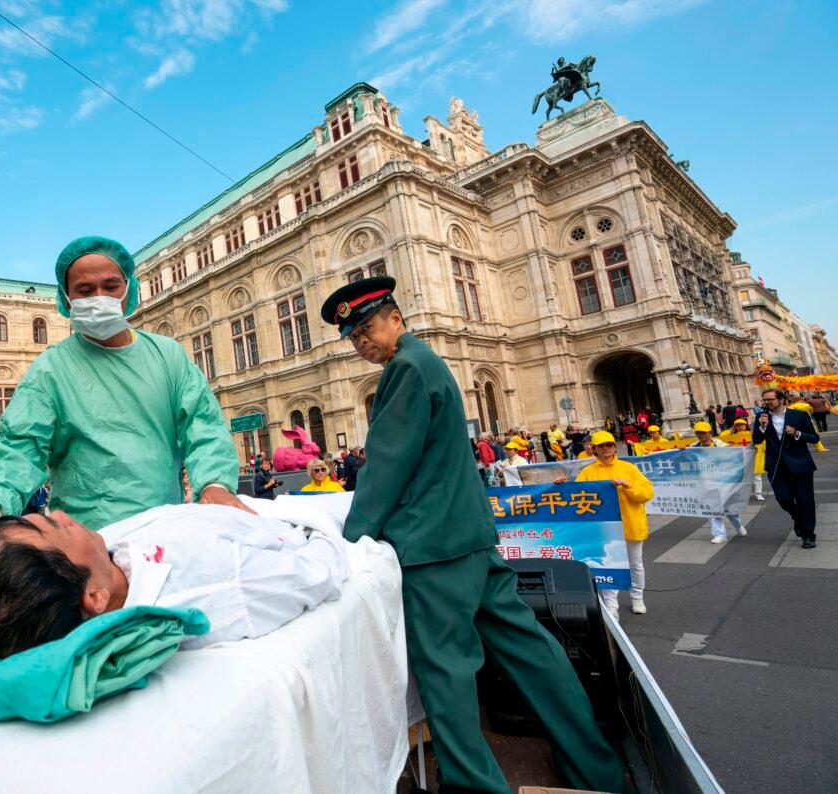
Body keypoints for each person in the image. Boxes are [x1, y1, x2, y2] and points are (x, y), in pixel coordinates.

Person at [319, 277, 624, 794]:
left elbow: (387, 467)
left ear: (396, 318)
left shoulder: (405, 370)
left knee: (445, 672)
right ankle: (594, 766)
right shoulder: (429, 363)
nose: (362, 342)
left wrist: (348, 543)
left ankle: (473, 786)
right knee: (530, 649)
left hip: (432, 551)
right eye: (353, 337)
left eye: (367, 327)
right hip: (473, 539)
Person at [0, 236, 244, 532]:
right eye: (84, 291)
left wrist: (215, 484)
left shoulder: (168, 355)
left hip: (165, 535)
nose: (99, 297)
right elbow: (18, 446)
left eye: (110, 287)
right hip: (88, 547)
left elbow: (204, 427)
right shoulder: (51, 371)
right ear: (66, 299)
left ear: (129, 288)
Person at [0, 505, 348, 658]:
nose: (60, 513)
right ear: (94, 597)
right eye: (55, 527)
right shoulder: (219, 590)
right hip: (301, 520)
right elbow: (321, 568)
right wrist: (316, 522)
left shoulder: (104, 553)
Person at [571, 431, 653, 618]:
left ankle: (637, 598)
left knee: (635, 564)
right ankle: (611, 604)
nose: (606, 448)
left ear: (615, 447)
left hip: (630, 522)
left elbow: (646, 494)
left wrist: (628, 485)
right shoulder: (588, 472)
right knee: (610, 564)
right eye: (602, 446)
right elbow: (575, 496)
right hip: (605, 528)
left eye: (609, 444)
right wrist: (560, 485)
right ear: (595, 449)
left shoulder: (629, 468)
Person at [754, 388, 819, 549]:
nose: (767, 403)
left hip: (800, 465)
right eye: (765, 400)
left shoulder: (799, 416)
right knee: (783, 499)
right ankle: (798, 518)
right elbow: (756, 439)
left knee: (805, 501)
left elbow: (814, 437)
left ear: (781, 399)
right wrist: (762, 427)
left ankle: (808, 535)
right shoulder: (761, 417)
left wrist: (797, 433)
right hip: (776, 466)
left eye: (770, 399)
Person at [692, 421, 748, 544]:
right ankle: (719, 534)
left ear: (710, 433)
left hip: (723, 482)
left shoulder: (722, 446)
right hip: (706, 484)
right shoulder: (693, 448)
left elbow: (734, 458)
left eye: (703, 432)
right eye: (698, 433)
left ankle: (738, 525)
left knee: (730, 510)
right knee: (712, 509)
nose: (701, 435)